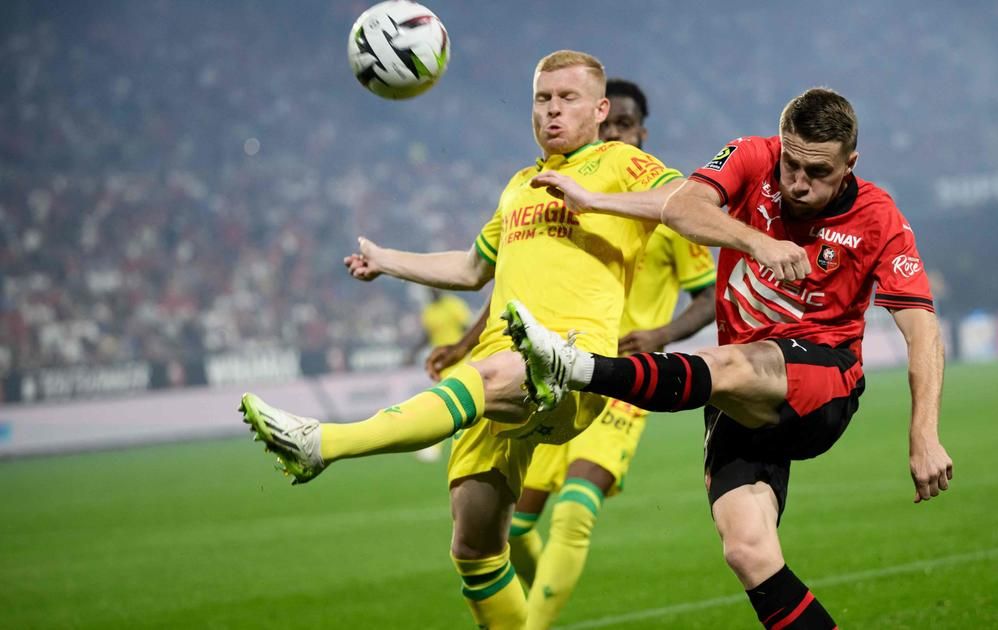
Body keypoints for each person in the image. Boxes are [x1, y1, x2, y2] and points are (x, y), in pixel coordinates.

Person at [238, 50, 683, 629]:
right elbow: (475, 268)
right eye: (542, 99)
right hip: (503, 360)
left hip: (569, 365)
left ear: (600, 110)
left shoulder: (621, 164)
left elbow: (686, 200)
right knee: (475, 546)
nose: (551, 111)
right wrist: (388, 260)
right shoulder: (521, 185)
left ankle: (323, 443)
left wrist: (597, 201)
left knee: (497, 384)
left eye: (567, 99)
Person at [506, 87, 953, 629]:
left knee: (729, 365)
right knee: (748, 551)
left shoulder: (878, 218)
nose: (797, 182)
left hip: (821, 384)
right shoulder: (751, 156)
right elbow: (683, 205)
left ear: (850, 164)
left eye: (818, 171)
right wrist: (753, 242)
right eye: (791, 164)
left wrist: (923, 433)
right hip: (739, 400)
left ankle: (573, 368)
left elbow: (922, 331)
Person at [427, 78, 717, 629]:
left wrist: (660, 337)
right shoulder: (562, 190)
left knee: (575, 512)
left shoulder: (662, 208)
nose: (614, 135)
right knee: (510, 529)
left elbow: (709, 299)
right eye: (607, 127)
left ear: (641, 132)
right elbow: (518, 284)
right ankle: (532, 612)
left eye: (624, 126)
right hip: (551, 372)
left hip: (621, 377)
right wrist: (464, 345)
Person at [411, 288, 474, 462]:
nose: (433, 291)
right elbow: (426, 335)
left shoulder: (454, 305)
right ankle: (439, 444)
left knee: (444, 403)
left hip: (460, 361)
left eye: (435, 287)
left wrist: (464, 349)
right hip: (441, 364)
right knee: (446, 403)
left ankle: (434, 446)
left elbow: (469, 329)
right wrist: (412, 352)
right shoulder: (428, 312)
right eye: (430, 288)